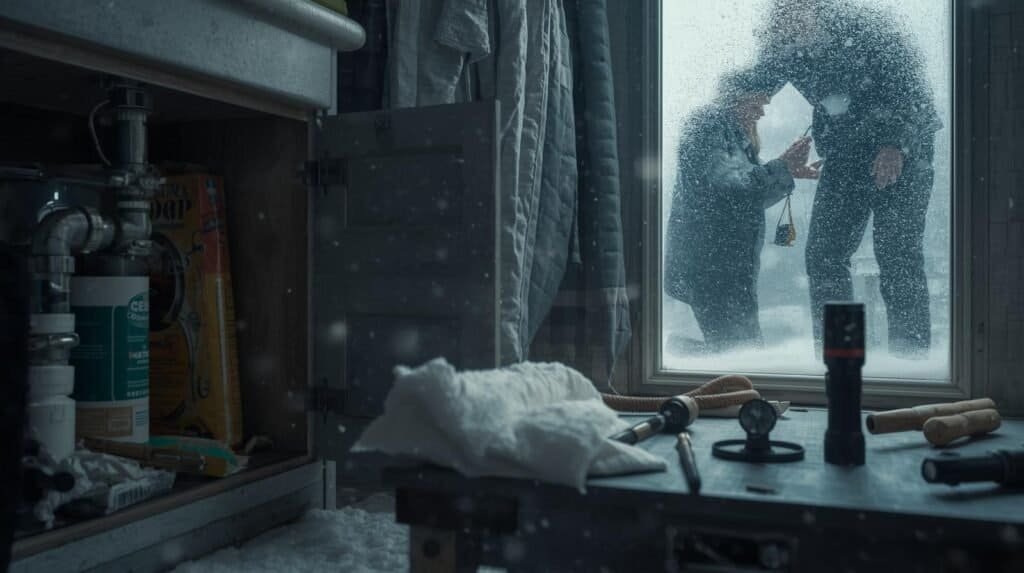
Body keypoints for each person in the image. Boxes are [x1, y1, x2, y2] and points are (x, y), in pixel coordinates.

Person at [756, 0, 942, 356]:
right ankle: (840, 359)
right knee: (824, 255)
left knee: (898, 254)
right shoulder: (785, 40)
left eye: (793, 13)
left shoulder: (868, 27)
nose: (787, 25)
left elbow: (914, 90)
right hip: (846, 151)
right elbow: (757, 78)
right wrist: (726, 105)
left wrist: (895, 144)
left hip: (905, 148)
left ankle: (910, 360)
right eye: (780, 15)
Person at [665, 69, 820, 353]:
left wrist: (787, 171)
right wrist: (782, 166)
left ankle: (689, 366)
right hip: (713, 267)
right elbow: (734, 187)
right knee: (736, 355)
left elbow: (745, 195)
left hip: (722, 267)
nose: (761, 113)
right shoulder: (710, 126)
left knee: (735, 352)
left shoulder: (732, 137)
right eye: (755, 104)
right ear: (734, 100)